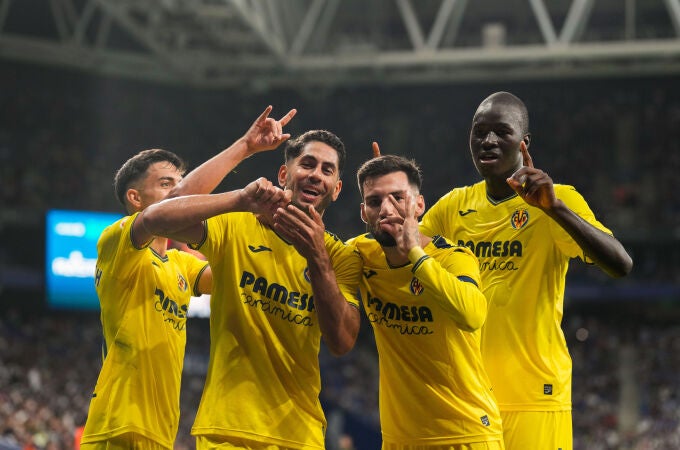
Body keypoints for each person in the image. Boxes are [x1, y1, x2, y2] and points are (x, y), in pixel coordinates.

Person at [419, 91, 634, 449]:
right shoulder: (453, 207)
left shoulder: (558, 199)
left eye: (501, 131)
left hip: (535, 396)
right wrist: (388, 195)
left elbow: (620, 265)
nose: (487, 140)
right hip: (469, 397)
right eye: (479, 131)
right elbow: (401, 250)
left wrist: (556, 210)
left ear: (523, 142)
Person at [80, 105, 297, 450]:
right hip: (118, 426)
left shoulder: (181, 265)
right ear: (135, 198)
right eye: (166, 184)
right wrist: (242, 170)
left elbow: (240, 271)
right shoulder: (117, 240)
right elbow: (160, 215)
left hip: (161, 433)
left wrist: (278, 227)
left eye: (180, 183)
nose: (180, 191)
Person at [141, 129, 362, 449]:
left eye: (327, 170)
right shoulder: (237, 224)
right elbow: (156, 218)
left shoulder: (341, 258)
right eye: (308, 164)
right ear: (284, 173)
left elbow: (341, 341)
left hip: (299, 436)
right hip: (227, 430)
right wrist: (242, 172)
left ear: (337, 188)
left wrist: (317, 258)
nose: (316, 175)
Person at [348, 153, 504, 449]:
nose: (387, 208)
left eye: (398, 197)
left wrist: (415, 255)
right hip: (399, 440)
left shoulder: (454, 259)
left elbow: (472, 315)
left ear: (419, 205)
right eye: (375, 201)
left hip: (466, 434)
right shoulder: (359, 254)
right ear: (363, 212)